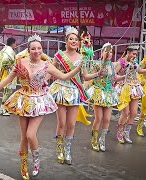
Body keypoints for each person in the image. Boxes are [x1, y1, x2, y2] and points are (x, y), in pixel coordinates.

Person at [0, 34, 82, 179]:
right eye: (33, 48)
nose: (37, 51)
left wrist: (78, 69)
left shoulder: (47, 65)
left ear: (42, 49)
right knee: (23, 137)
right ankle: (24, 164)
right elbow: (9, 78)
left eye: (39, 48)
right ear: (29, 50)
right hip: (23, 100)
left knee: (30, 134)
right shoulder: (21, 63)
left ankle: (36, 161)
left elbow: (64, 77)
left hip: (39, 101)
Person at [49, 27, 89, 165]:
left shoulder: (82, 57)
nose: (73, 41)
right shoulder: (59, 55)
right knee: (62, 123)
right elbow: (51, 70)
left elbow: (84, 76)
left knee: (71, 124)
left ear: (78, 43)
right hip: (61, 90)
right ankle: (59, 149)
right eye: (71, 39)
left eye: (76, 39)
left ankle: (67, 150)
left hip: (74, 91)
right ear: (66, 41)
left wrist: (98, 74)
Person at [86, 42, 122, 152]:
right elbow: (90, 76)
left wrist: (125, 76)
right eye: (106, 51)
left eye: (111, 51)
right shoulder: (97, 64)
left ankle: (103, 139)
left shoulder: (112, 65)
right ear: (102, 52)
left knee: (107, 119)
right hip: (98, 92)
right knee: (98, 118)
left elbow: (114, 77)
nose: (109, 53)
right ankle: (94, 139)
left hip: (109, 93)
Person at [115, 45, 144, 144]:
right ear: (128, 52)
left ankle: (126, 133)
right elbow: (114, 74)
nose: (135, 56)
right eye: (133, 53)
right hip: (124, 88)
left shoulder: (135, 62)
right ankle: (120, 132)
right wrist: (121, 79)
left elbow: (139, 71)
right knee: (125, 112)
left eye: (136, 54)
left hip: (134, 88)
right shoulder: (121, 62)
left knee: (134, 113)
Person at [0, 37, 17, 116]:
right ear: (13, 43)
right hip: (8, 73)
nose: (16, 45)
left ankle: (6, 108)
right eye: (15, 43)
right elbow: (5, 61)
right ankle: (2, 109)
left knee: (8, 91)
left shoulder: (4, 49)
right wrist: (8, 67)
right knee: (8, 91)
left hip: (5, 72)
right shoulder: (9, 50)